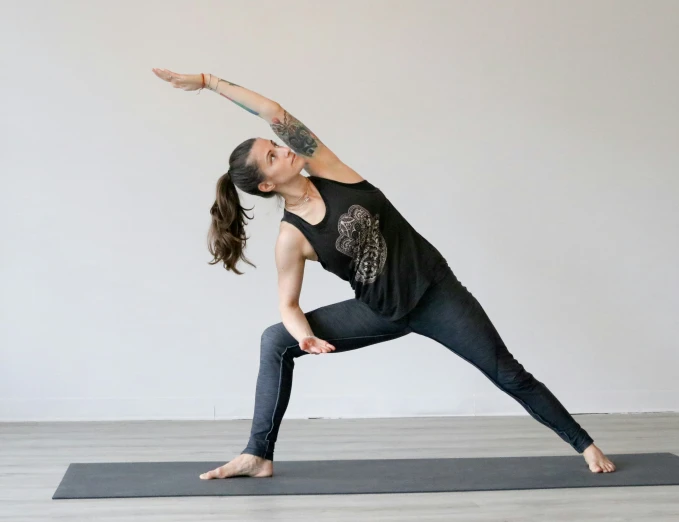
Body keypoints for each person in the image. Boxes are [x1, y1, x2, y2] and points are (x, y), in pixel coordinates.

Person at [152, 68, 617, 478]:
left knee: (508, 374)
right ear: (268, 184)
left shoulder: (329, 169)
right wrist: (305, 337)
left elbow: (273, 111)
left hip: (437, 295)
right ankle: (258, 454)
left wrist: (209, 82)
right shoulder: (291, 238)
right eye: (272, 156)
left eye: (275, 146)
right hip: (380, 312)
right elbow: (288, 305)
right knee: (276, 339)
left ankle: (584, 444)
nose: (282, 150)